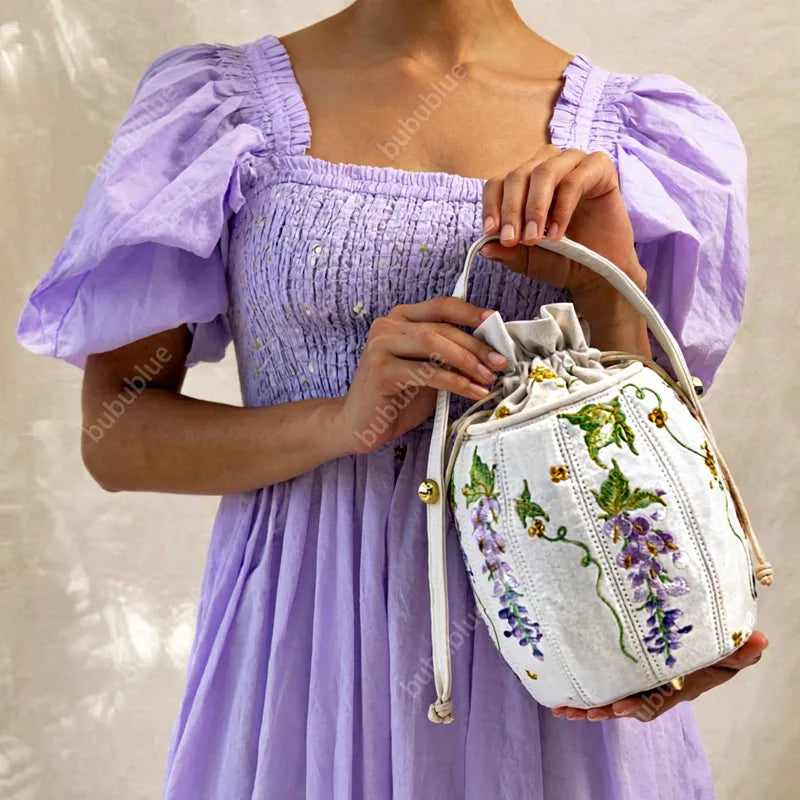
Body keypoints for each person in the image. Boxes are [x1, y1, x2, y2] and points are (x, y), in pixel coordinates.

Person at [16, 1, 767, 797]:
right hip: (307, 653)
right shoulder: (217, 111)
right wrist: (338, 422)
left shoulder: (640, 138)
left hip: (558, 650)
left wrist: (606, 287)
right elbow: (117, 436)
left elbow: (654, 462)